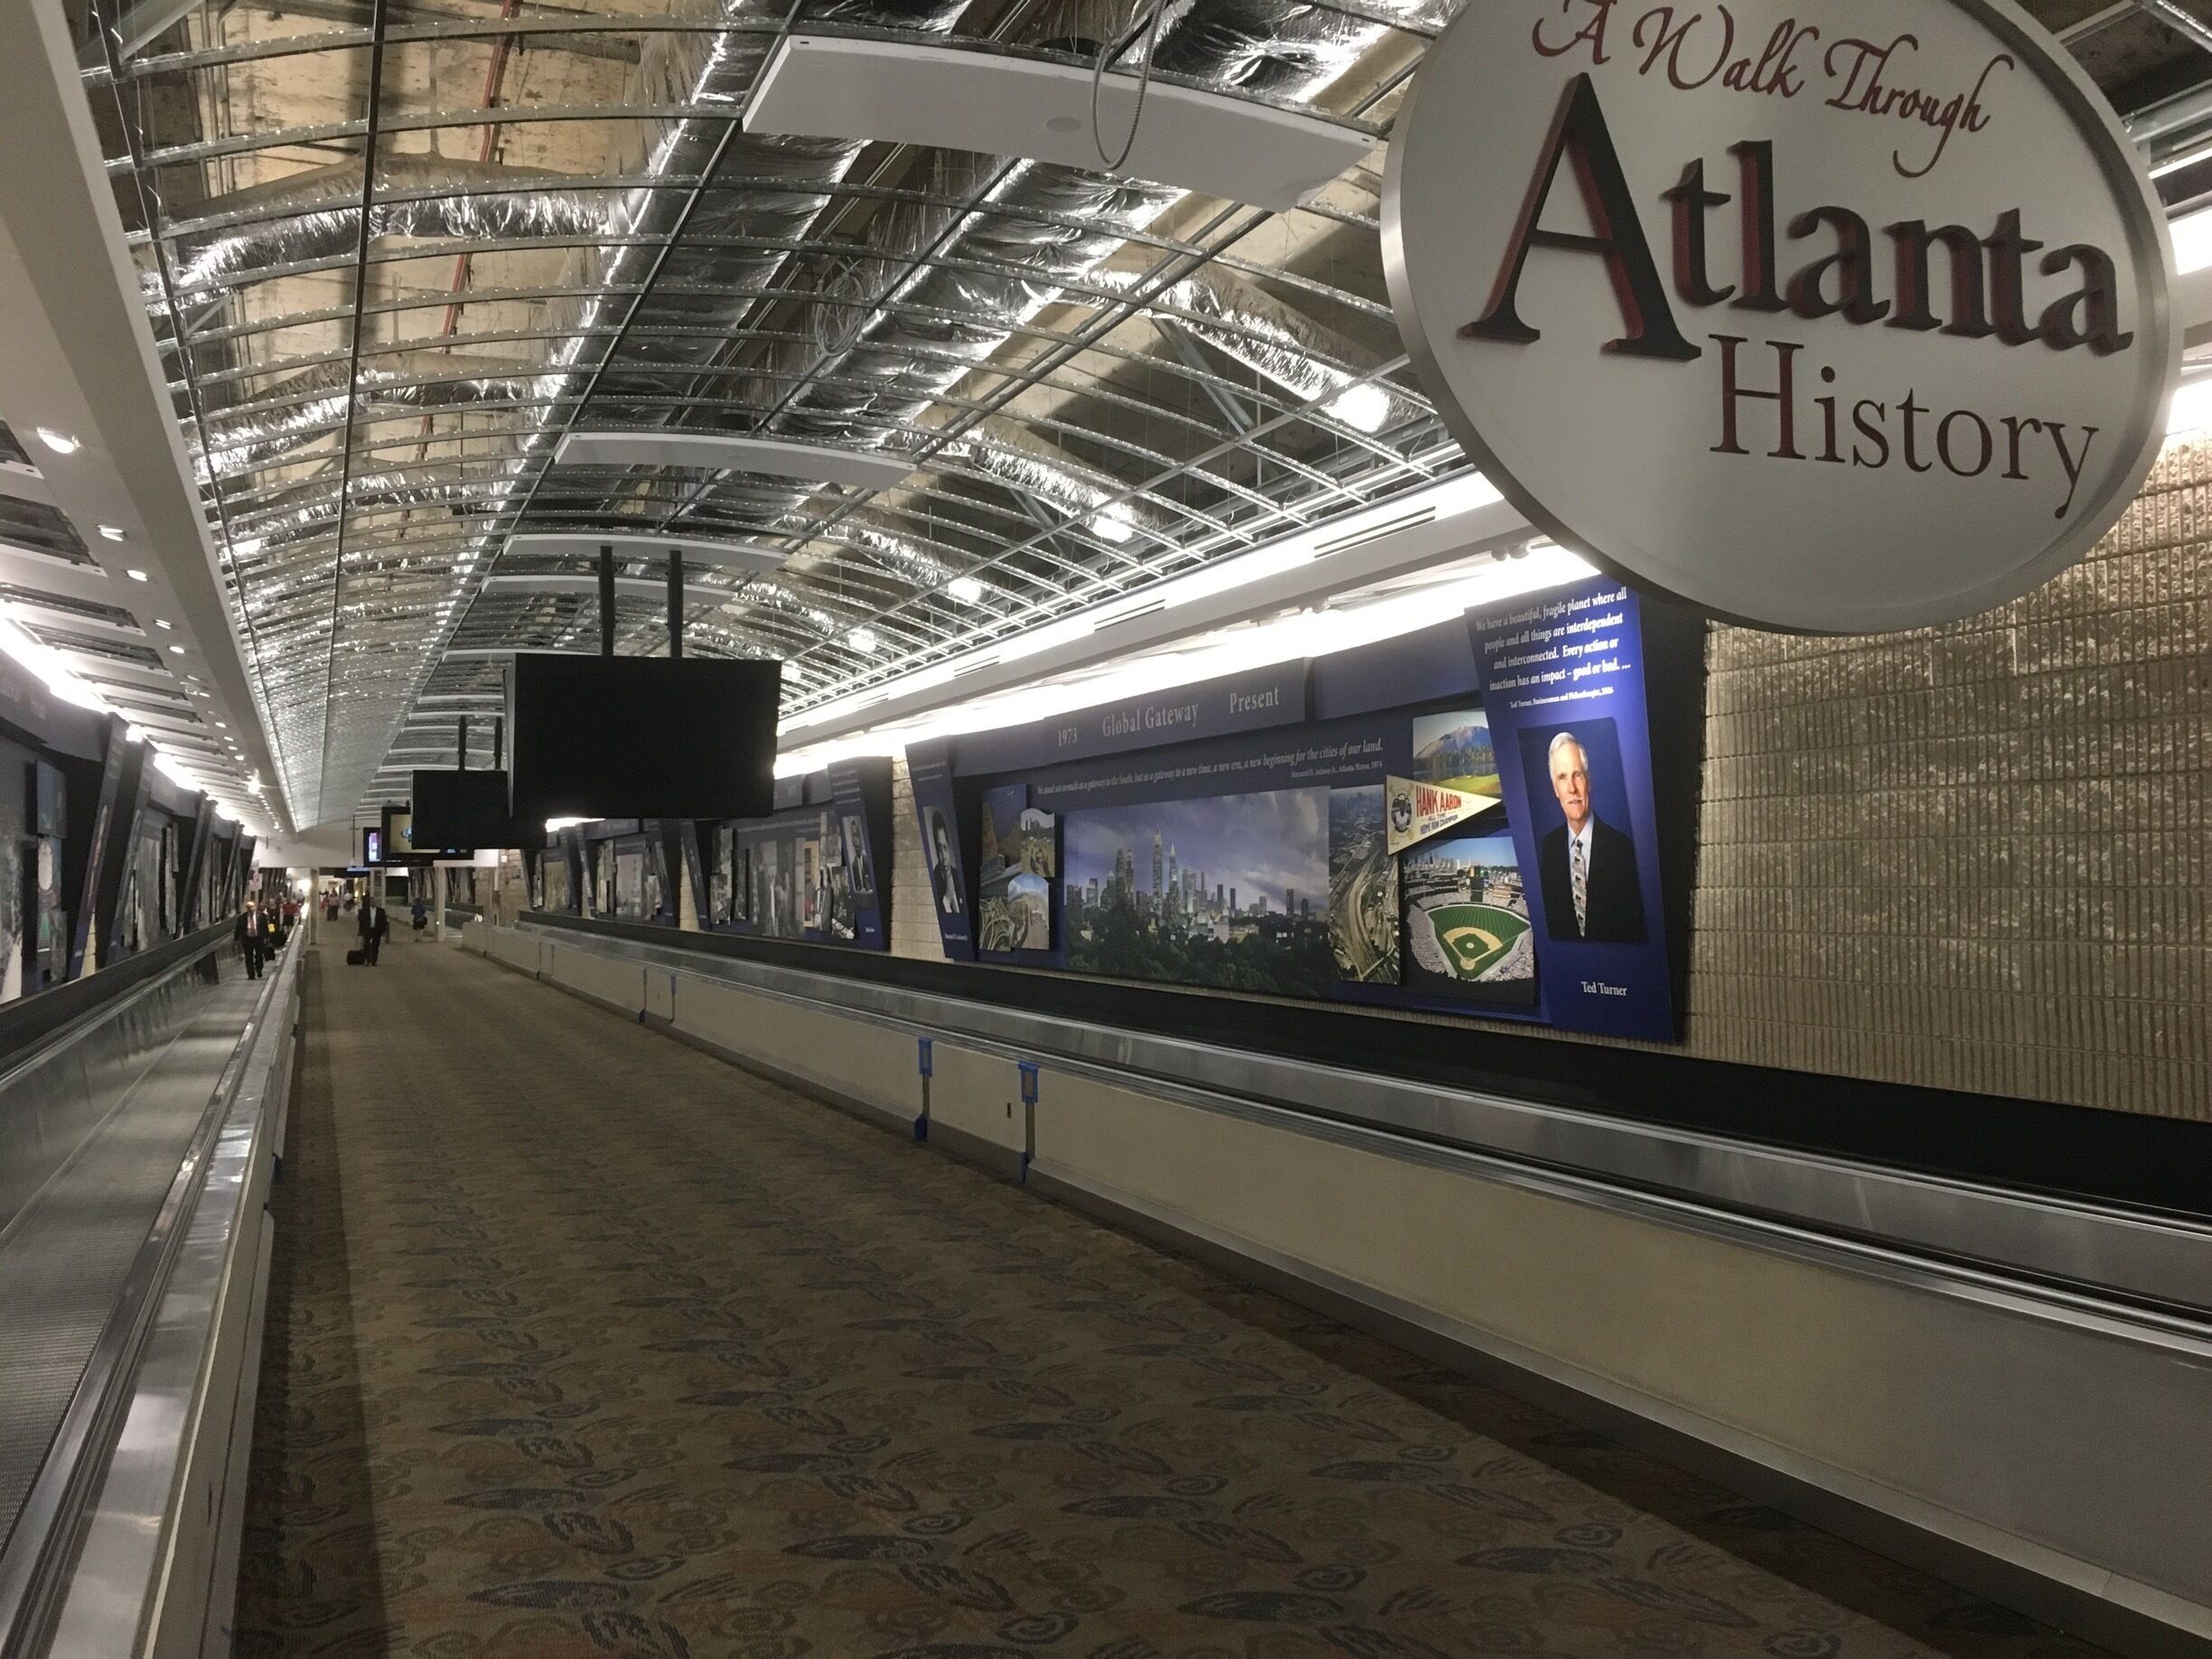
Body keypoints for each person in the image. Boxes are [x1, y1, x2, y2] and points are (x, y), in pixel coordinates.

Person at [1536, 732, 1646, 944]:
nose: (1572, 788)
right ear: (1555, 789)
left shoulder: (1623, 849)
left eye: (1577, 775)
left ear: (1588, 781)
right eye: (1562, 777)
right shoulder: (1548, 848)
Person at [928, 811, 962, 916]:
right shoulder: (934, 881)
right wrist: (947, 898)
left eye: (945, 848)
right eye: (939, 849)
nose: (943, 856)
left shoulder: (958, 875)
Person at [235, 902, 265, 979]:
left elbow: (267, 926)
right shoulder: (242, 918)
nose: (250, 909)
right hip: (247, 939)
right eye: (248, 907)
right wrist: (236, 939)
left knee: (259, 955)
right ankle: (251, 974)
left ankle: (259, 969)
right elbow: (238, 929)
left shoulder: (261, 916)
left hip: (258, 938)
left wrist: (269, 936)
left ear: (255, 907)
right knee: (248, 957)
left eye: (252, 907)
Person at [358, 894, 390, 965]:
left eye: (374, 902)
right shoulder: (365, 911)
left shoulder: (381, 911)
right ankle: (367, 959)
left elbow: (383, 921)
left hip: (376, 930)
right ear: (370, 903)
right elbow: (362, 922)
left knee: (375, 946)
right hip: (368, 930)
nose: (373, 903)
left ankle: (374, 960)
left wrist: (383, 931)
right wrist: (361, 932)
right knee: (366, 945)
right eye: (372, 902)